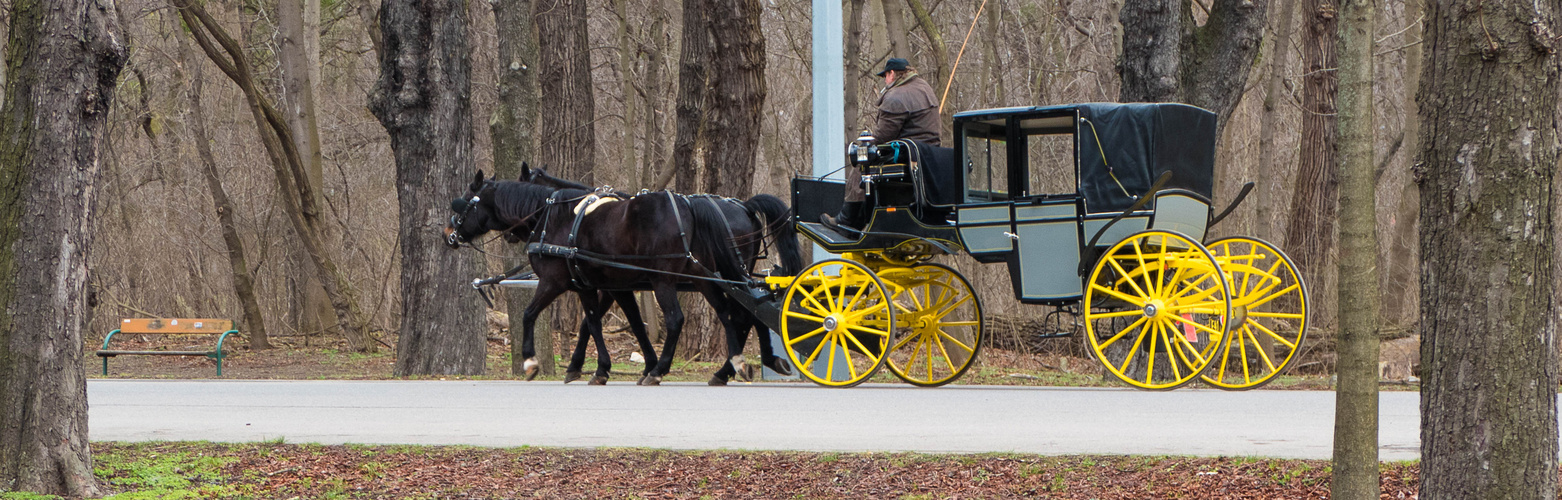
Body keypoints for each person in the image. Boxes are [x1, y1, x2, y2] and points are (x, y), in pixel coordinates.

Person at [822, 57, 942, 233]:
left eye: (885, 76)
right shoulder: (925, 88)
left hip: (906, 154)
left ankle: (847, 220)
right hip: (927, 155)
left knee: (862, 160)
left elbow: (882, 136)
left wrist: (864, 142)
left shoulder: (896, 96)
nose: (885, 80)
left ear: (892, 74)